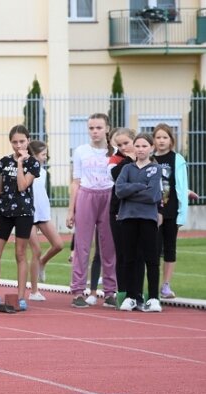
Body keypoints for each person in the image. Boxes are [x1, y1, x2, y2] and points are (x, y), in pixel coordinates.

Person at [66, 113, 117, 309]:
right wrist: (71, 210)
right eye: (91, 128)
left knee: (109, 246)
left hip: (109, 197)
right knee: (82, 245)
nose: (94, 132)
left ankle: (111, 291)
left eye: (98, 128)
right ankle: (78, 291)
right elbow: (76, 181)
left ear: (107, 129)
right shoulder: (80, 151)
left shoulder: (116, 152)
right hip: (86, 197)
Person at [0, 125, 40, 311]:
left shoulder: (32, 163)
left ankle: (21, 296)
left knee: (20, 253)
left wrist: (19, 163)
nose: (18, 145)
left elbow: (22, 185)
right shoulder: (2, 162)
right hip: (5, 213)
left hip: (24, 213)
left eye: (22, 141)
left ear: (28, 140)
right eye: (15, 142)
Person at [116, 133, 163, 312]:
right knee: (129, 258)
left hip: (148, 219)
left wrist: (131, 192)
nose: (141, 149)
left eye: (144, 146)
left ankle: (152, 297)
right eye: (138, 146)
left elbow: (153, 195)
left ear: (151, 148)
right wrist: (138, 186)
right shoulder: (127, 169)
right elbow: (119, 190)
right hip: (128, 217)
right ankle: (131, 296)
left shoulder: (155, 169)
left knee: (151, 259)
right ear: (133, 148)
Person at [152, 123, 188, 299]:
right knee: (153, 249)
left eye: (165, 137)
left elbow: (181, 185)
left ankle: (165, 285)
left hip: (171, 211)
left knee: (170, 248)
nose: (161, 141)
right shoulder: (149, 159)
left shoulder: (177, 159)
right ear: (154, 140)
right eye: (158, 137)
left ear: (171, 140)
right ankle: (152, 284)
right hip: (152, 213)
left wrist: (182, 212)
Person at [28, 140, 64, 301]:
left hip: (43, 213)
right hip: (28, 214)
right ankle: (34, 290)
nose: (45, 157)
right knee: (36, 250)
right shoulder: (26, 169)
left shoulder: (42, 171)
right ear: (34, 155)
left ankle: (43, 262)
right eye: (43, 154)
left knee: (58, 245)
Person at [107, 128, 136, 303]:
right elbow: (114, 176)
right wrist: (128, 161)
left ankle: (137, 292)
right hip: (118, 210)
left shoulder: (145, 157)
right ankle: (123, 292)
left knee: (138, 254)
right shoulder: (115, 160)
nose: (123, 147)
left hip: (139, 211)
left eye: (126, 143)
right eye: (119, 144)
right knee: (122, 252)